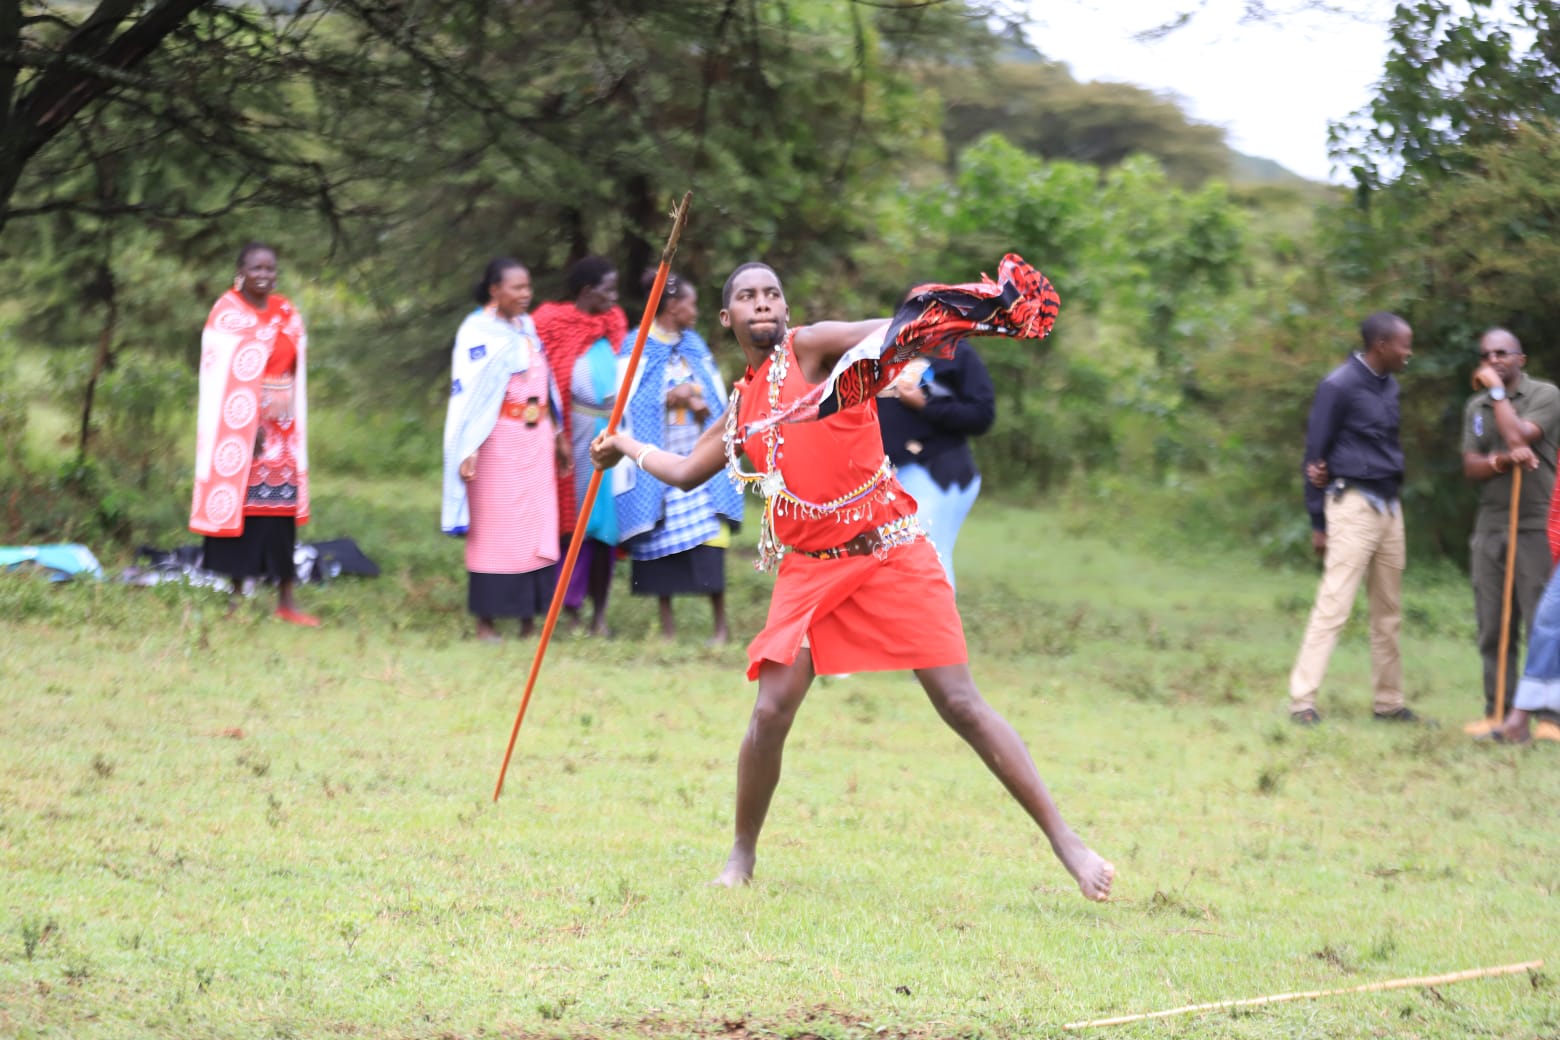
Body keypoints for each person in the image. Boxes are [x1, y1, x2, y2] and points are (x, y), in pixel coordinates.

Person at [590, 260, 1113, 901]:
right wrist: (624, 446)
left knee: (960, 703)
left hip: (892, 552)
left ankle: (1068, 843)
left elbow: (887, 332)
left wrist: (958, 316)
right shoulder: (743, 403)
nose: (763, 304)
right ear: (726, 318)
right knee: (770, 712)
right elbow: (686, 470)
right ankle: (741, 855)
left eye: (773, 294)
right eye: (748, 297)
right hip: (810, 571)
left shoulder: (812, 349)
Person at [1288, 312, 1419, 725]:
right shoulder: (1338, 385)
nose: (1408, 353)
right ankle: (1302, 703)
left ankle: (1389, 704)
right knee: (1334, 606)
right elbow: (1315, 454)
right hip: (1353, 505)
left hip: (1389, 507)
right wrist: (1318, 520)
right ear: (1381, 345)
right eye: (1404, 345)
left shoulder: (1390, 386)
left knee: (1389, 612)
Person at [441, 258, 570, 642]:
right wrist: (467, 448)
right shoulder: (476, 332)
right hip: (496, 442)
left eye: (528, 286)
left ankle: (530, 619)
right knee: (496, 531)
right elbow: (469, 398)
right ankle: (486, 623)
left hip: (535, 441)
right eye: (516, 287)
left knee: (534, 529)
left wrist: (559, 434)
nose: (525, 294)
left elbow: (546, 384)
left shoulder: (526, 327)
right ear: (495, 290)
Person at [190, 242, 317, 626]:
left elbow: (296, 359)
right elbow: (218, 373)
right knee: (240, 513)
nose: (265, 274)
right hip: (238, 430)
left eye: (270, 268)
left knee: (279, 514)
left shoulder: (285, 310)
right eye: (256, 267)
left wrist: (281, 407)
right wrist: (245, 427)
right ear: (240, 270)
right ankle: (236, 599)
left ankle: (286, 599)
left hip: (283, 429)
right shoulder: (226, 313)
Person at [616, 270, 745, 643]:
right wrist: (671, 397)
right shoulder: (636, 346)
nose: (695, 311)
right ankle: (667, 627)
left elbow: (718, 398)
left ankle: (720, 627)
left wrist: (700, 402)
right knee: (659, 543)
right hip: (657, 464)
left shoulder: (694, 345)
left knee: (710, 540)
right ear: (672, 306)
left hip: (699, 463)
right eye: (690, 304)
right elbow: (627, 405)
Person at [1459, 328, 1560, 736]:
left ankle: (1550, 716)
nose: (1493, 360)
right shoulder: (1475, 406)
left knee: (1544, 622)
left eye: (1502, 353)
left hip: (1536, 523)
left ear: (1521, 358)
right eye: (1486, 355)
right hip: (1491, 525)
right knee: (1493, 623)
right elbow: (1471, 467)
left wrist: (1499, 396)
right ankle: (1497, 711)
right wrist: (1501, 461)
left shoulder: (1546, 395)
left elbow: (1521, 435)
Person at [533, 257, 629, 636]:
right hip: (573, 437)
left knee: (607, 528)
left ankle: (599, 614)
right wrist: (555, 433)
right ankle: (569, 610)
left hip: (614, 436)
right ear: (587, 291)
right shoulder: (551, 324)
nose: (615, 297)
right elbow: (542, 382)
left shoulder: (615, 323)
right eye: (608, 289)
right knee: (574, 527)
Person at [877, 339, 996, 590]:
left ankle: (935, 628)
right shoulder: (880, 348)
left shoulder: (955, 351)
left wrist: (926, 405)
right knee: (893, 559)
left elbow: (982, 415)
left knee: (927, 555)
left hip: (938, 468)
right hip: (885, 475)